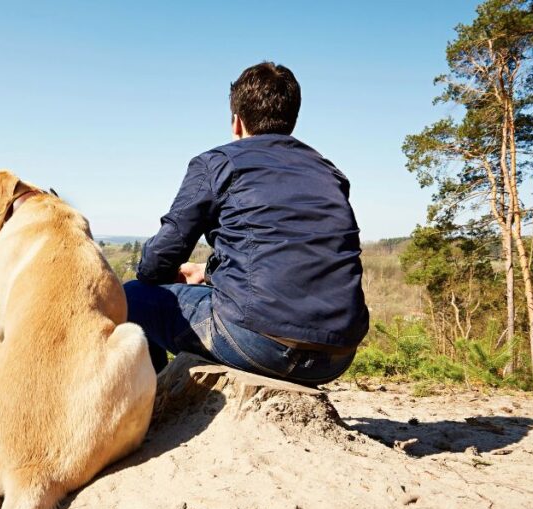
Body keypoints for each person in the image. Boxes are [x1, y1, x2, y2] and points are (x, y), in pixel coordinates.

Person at [124, 61, 369, 387]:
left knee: (132, 296)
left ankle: (149, 398)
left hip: (258, 344)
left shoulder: (216, 164)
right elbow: (291, 252)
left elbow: (158, 261)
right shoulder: (330, 172)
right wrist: (209, 273)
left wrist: (160, 275)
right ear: (291, 120)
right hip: (337, 354)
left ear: (237, 122)